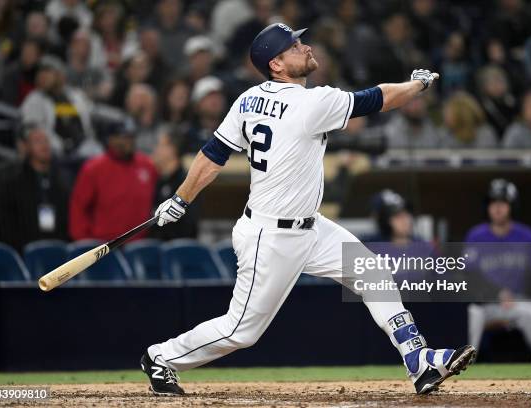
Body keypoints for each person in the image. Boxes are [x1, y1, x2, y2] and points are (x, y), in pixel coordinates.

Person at [141, 23, 475, 397]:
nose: (306, 47)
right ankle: (162, 356)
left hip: (309, 226)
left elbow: (213, 156)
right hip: (271, 237)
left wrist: (180, 199)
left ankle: (419, 360)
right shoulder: (311, 102)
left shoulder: (248, 99)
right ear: (277, 64)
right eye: (294, 45)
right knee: (241, 331)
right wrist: (418, 85)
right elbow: (378, 98)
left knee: (373, 273)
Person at [465, 179, 531, 363]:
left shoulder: (526, 235)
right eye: (493, 203)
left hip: (522, 298)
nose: (497, 207)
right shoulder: (476, 236)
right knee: (528, 313)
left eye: (503, 202)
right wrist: (497, 293)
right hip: (491, 304)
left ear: (512, 206)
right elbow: (470, 276)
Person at [0, 124, 69, 253]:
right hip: (20, 251)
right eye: (38, 141)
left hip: (56, 249)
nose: (44, 146)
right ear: (25, 146)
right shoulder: (9, 180)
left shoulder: (61, 179)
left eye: (46, 141)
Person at [69, 118, 157, 241]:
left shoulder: (147, 166)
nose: (130, 141)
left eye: (131, 137)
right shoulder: (94, 168)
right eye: (124, 137)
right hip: (104, 245)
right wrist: (85, 243)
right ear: (111, 139)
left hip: (139, 245)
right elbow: (78, 208)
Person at [21, 55, 101, 159]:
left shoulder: (75, 95)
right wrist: (59, 147)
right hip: (59, 153)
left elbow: (93, 112)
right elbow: (33, 130)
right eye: (40, 72)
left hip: (84, 146)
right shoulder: (34, 100)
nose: (42, 76)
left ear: (61, 75)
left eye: (48, 72)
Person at [150, 128, 200, 240]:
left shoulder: (187, 183)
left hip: (179, 250)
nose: (155, 150)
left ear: (172, 150)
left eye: (160, 145)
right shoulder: (159, 180)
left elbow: (188, 227)